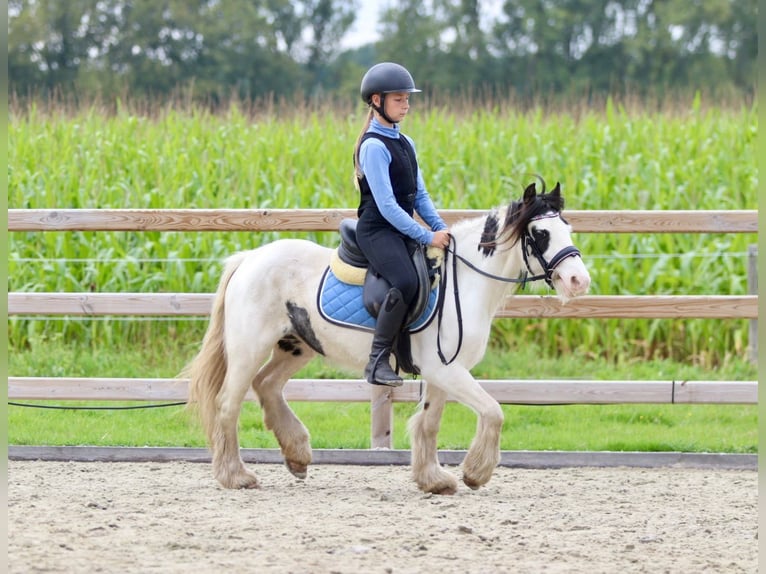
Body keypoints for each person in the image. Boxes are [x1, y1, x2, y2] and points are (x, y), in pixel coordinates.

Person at [353, 62, 451, 387]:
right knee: (406, 281)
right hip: (377, 230)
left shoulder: (405, 142)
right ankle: (377, 360)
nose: (406, 105)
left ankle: (409, 352)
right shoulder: (373, 146)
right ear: (377, 101)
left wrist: (443, 229)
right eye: (398, 99)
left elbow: (419, 195)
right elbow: (388, 207)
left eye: (407, 99)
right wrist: (426, 235)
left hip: (397, 228)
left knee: (430, 274)